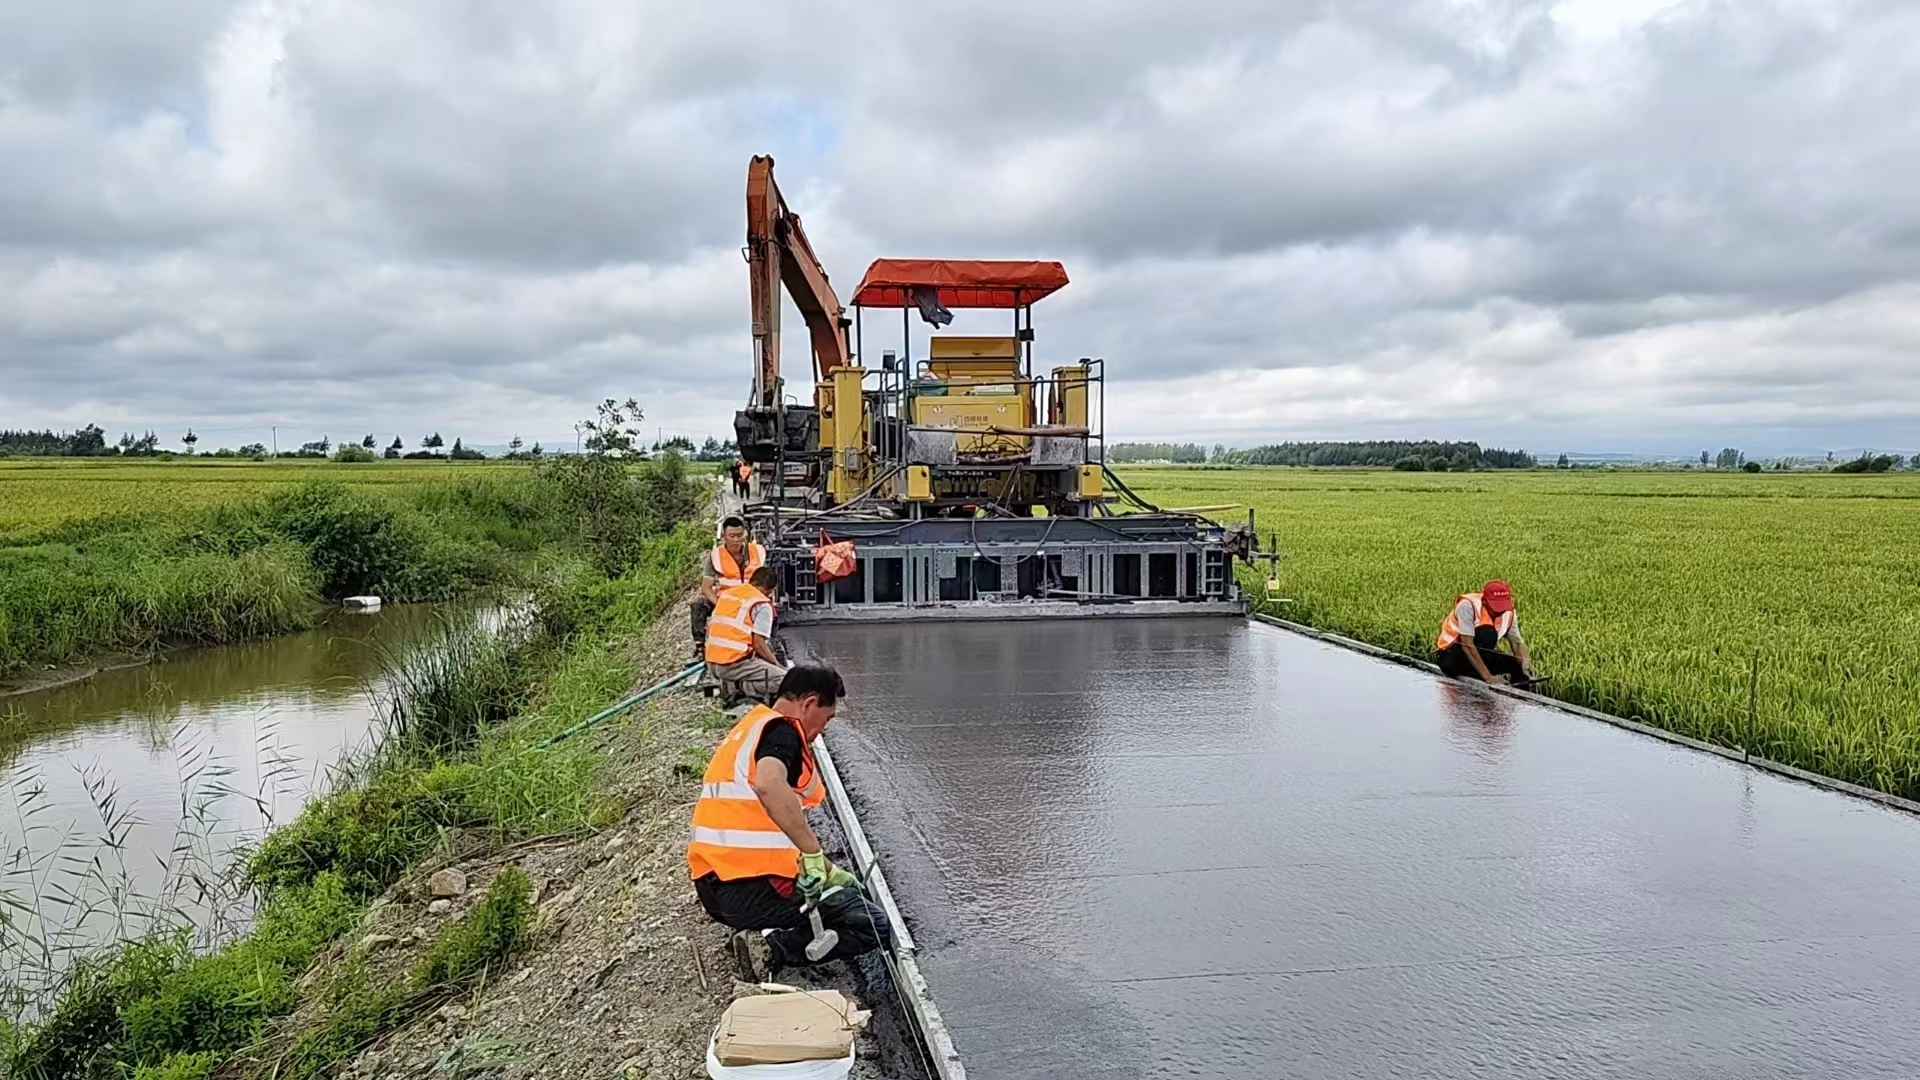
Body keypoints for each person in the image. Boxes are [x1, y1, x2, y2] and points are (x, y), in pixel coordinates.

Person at [689, 663, 891, 981]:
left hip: (715, 890)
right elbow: (768, 784)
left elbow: (767, 827)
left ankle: (763, 931)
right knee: (871, 923)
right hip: (751, 890)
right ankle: (771, 948)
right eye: (827, 718)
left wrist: (829, 871)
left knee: (834, 894)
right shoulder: (782, 733)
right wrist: (812, 852)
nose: (823, 728)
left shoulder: (751, 729)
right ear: (809, 703)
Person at [1435, 579, 1539, 689]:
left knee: (1516, 667)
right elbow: (1467, 645)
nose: (1500, 611)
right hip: (1450, 655)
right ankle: (1483, 676)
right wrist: (1489, 678)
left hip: (1481, 654)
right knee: (1487, 634)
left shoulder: (1509, 612)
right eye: (1496, 607)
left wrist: (1525, 664)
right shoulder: (1467, 606)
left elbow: (1517, 643)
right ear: (1484, 601)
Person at [705, 566, 786, 703]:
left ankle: (721, 686)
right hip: (731, 664)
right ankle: (736, 687)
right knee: (785, 681)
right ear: (770, 590)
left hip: (712, 663)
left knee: (762, 663)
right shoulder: (761, 604)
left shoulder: (729, 595)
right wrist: (777, 666)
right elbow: (759, 644)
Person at [690, 516, 766, 658]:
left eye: (739, 535)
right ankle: (700, 646)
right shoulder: (715, 556)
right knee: (698, 604)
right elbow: (706, 587)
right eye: (732, 536)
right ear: (724, 536)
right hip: (725, 599)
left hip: (750, 600)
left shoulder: (757, 551)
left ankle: (761, 644)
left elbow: (766, 580)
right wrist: (720, 604)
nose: (736, 540)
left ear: (745, 534)